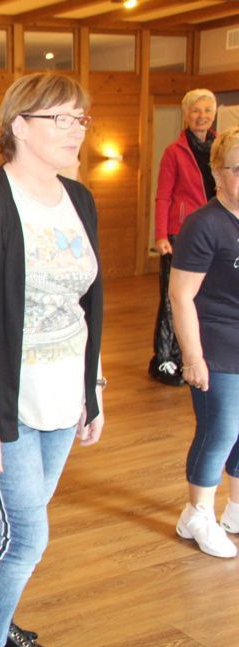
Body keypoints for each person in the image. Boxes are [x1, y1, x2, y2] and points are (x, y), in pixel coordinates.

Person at [0, 73, 104, 647]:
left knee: (16, 530)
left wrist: (94, 387)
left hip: (65, 398)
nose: (76, 129)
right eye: (60, 118)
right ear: (19, 125)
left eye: (80, 118)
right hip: (8, 403)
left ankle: (2, 623)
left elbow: (87, 304)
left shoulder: (79, 199)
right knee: (28, 535)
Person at [168, 125, 239, 559]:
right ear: (217, 173)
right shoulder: (204, 224)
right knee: (221, 429)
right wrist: (193, 357)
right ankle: (198, 513)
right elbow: (180, 295)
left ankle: (235, 509)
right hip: (217, 343)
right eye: (237, 169)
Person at [150, 89, 218, 386]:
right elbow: (163, 196)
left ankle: (192, 355)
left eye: (207, 110)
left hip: (213, 232)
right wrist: (160, 234)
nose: (202, 116)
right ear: (186, 114)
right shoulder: (174, 152)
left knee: (203, 297)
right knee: (172, 297)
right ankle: (164, 359)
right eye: (196, 110)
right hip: (181, 234)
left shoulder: (222, 147)